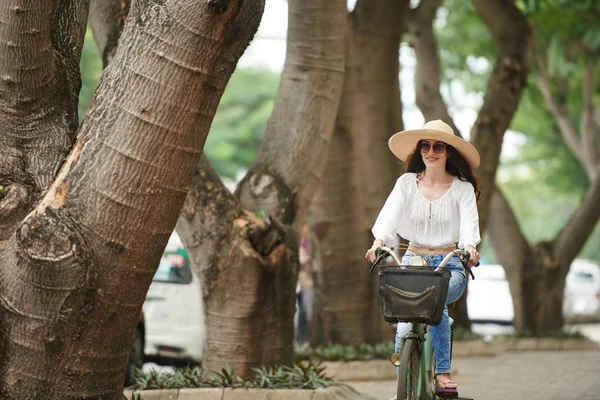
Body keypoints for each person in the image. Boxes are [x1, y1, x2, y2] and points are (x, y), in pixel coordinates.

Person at [365, 119, 481, 396]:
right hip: (413, 260)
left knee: (435, 298)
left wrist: (470, 247)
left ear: (448, 151)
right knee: (405, 320)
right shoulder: (406, 183)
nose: (431, 151)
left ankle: (442, 371)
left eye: (438, 146)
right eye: (425, 146)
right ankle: (403, 384)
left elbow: (469, 228)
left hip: (449, 262)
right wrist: (379, 241)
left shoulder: (462, 189)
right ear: (419, 151)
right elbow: (389, 216)